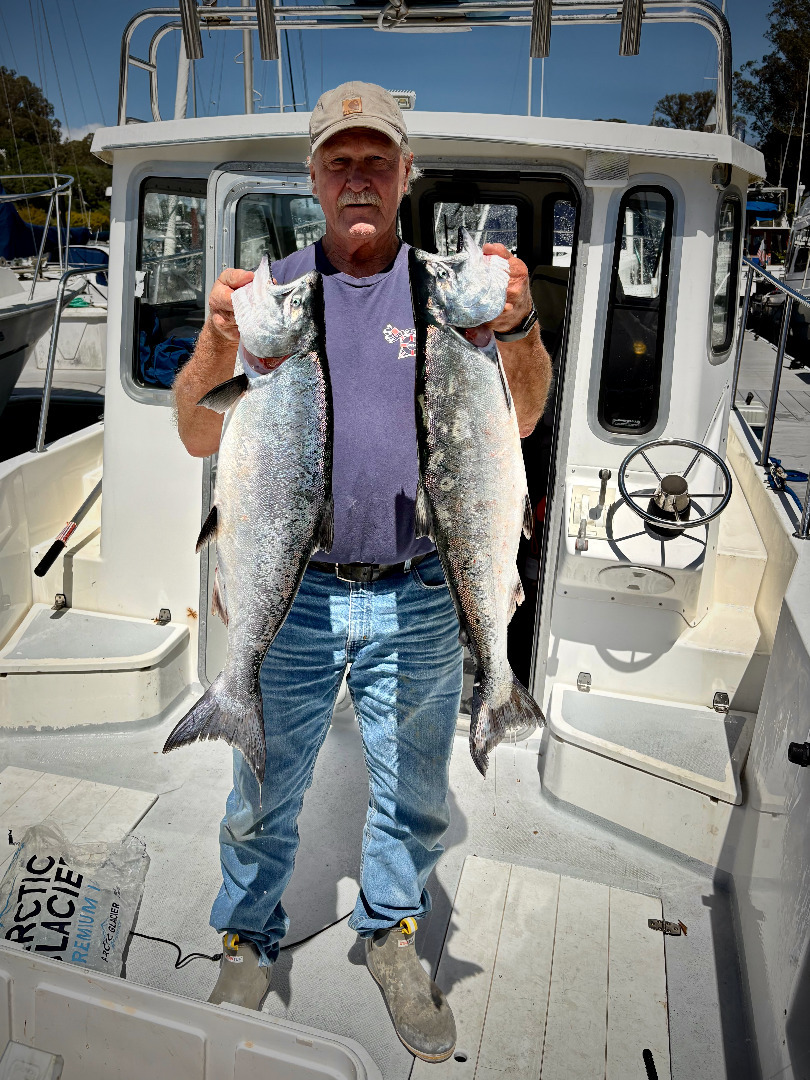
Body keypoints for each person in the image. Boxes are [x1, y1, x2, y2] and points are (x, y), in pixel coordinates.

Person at [173, 81, 552, 1063]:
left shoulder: (445, 294)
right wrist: (220, 341)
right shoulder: (275, 299)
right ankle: (247, 937)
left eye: (375, 160)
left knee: (415, 792)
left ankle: (391, 934)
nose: (357, 178)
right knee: (261, 788)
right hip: (292, 596)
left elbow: (522, 417)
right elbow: (195, 431)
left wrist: (517, 330)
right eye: (338, 161)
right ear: (312, 177)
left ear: (404, 174)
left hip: (422, 591)